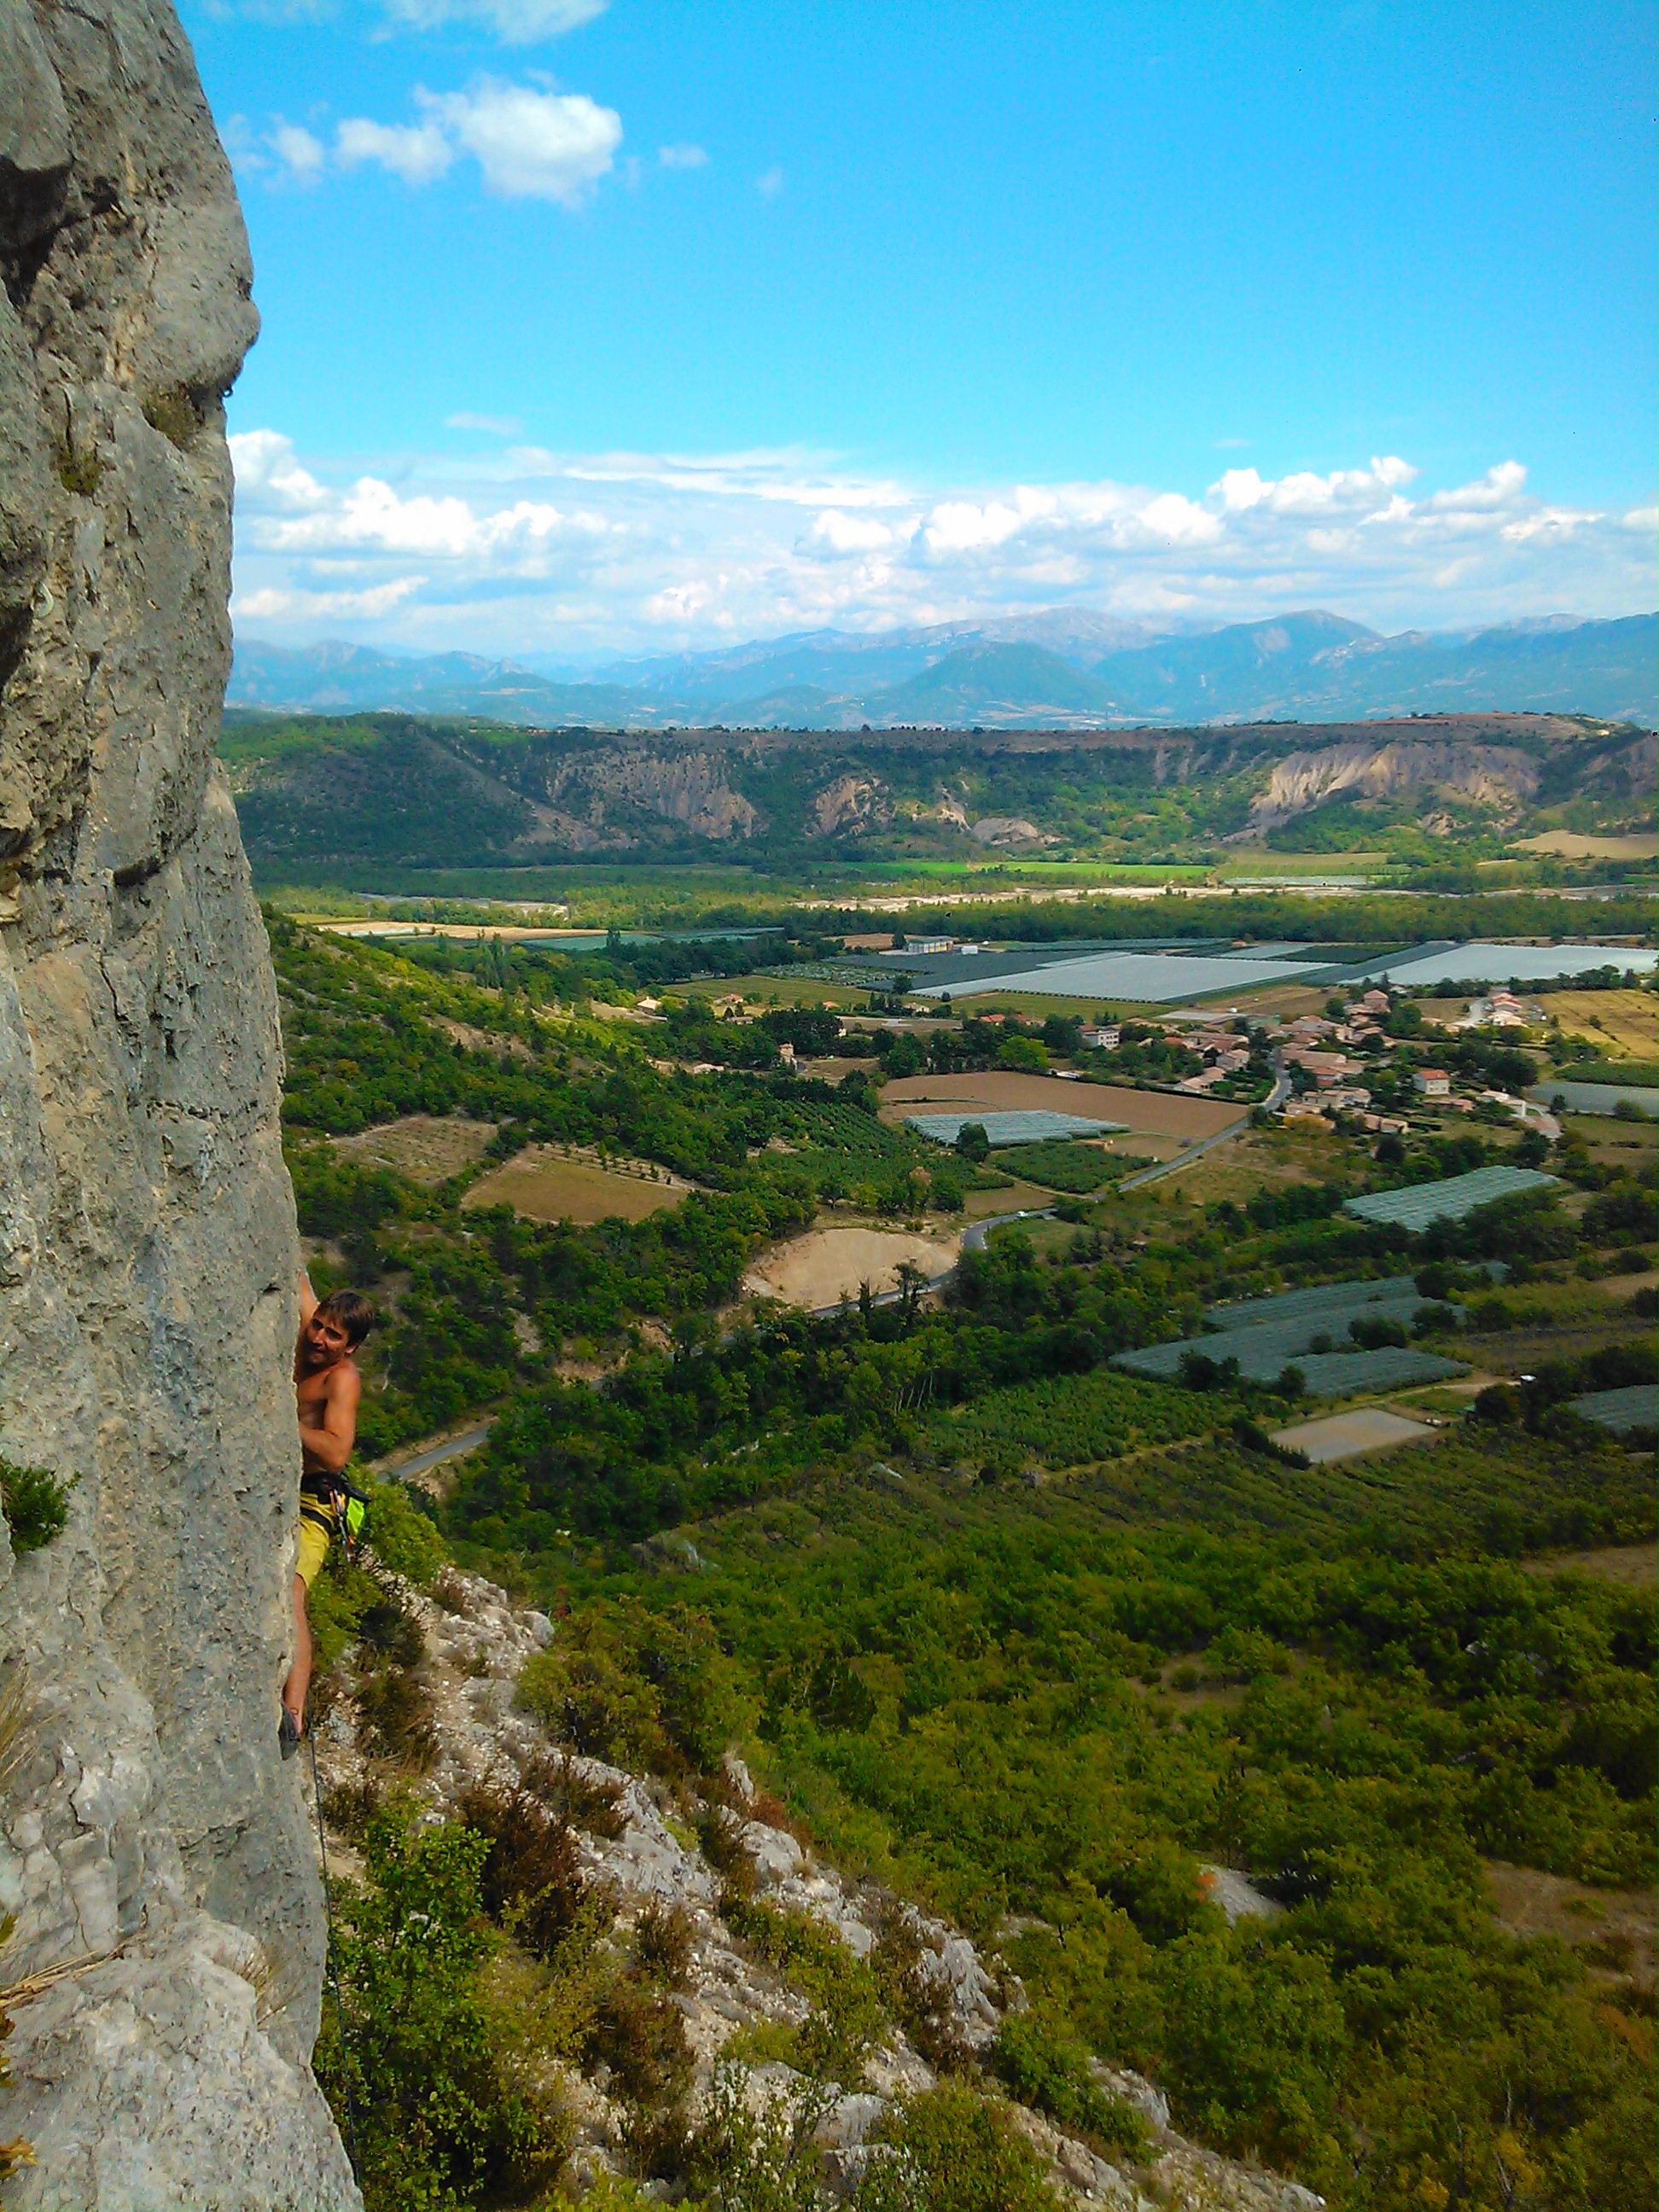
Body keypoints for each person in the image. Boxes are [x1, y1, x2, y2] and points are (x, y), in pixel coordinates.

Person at [281, 1275, 374, 1755]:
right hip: (282, 1484)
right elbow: (301, 1287)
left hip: (315, 1499)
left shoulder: (342, 1378)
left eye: (333, 1336)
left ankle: (293, 1714)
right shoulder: (313, 1329)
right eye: (318, 1327)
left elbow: (336, 1453)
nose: (318, 1338)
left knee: (292, 1591)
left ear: (351, 1346)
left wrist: (282, 1419)